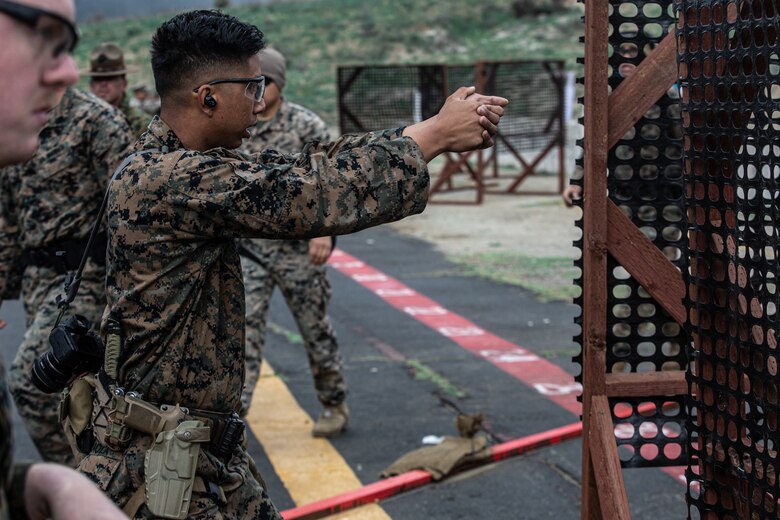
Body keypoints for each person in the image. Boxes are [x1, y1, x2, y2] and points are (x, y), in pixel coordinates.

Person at [76, 9, 506, 519]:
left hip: (198, 444)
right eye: (251, 86)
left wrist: (424, 129)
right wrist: (433, 136)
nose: (260, 101)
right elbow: (311, 193)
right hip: (165, 459)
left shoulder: (175, 164)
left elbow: (301, 168)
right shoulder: (172, 179)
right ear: (207, 95)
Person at [0, 0, 128, 519]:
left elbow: (126, 212)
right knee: (68, 395)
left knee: (31, 382)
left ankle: (87, 485)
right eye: (45, 36)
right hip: (37, 277)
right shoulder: (13, 129)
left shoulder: (95, 121)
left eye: (65, 44)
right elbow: (7, 218)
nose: (66, 68)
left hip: (84, 276)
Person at [238, 47, 347, 437]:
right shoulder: (239, 125)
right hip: (250, 249)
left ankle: (333, 403)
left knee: (314, 327)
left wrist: (323, 232)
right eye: (251, 83)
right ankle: (237, 416)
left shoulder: (306, 126)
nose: (258, 91)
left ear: (278, 84)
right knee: (242, 332)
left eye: (263, 82)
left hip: (298, 248)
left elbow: (330, 185)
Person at [84, 42, 149, 136]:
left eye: (110, 78)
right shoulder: (82, 121)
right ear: (91, 85)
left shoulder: (141, 125)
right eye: (98, 79)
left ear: (124, 84)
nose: (103, 84)